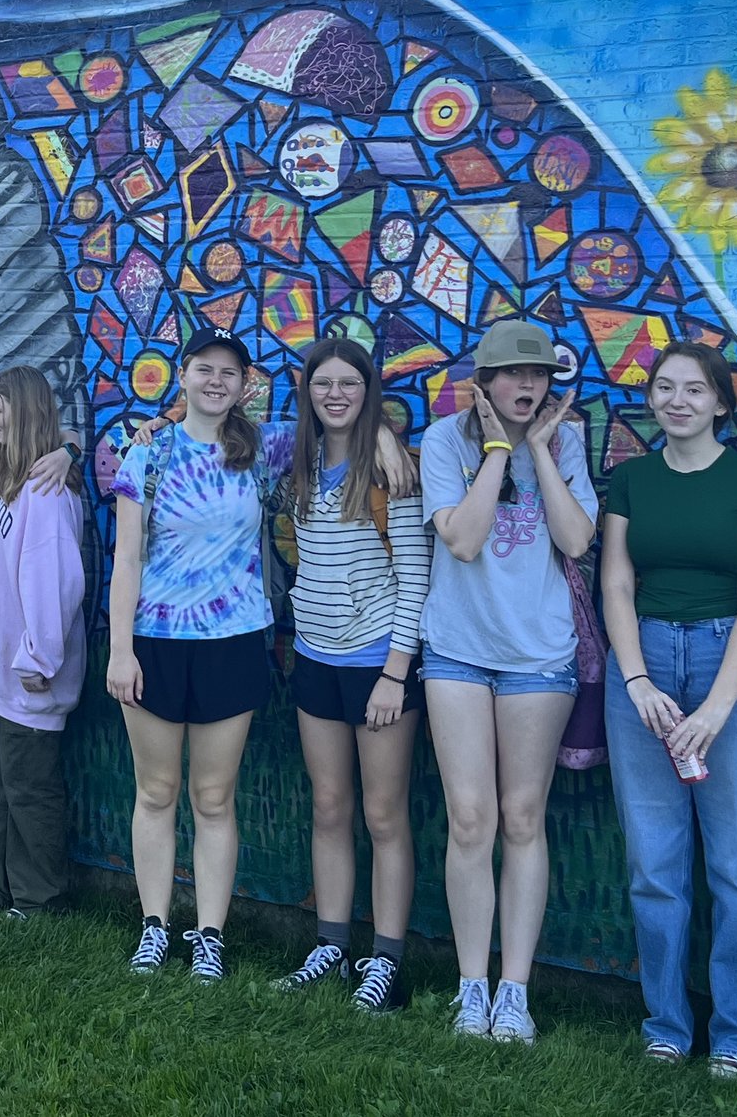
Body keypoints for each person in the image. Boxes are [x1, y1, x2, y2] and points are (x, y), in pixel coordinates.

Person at [598, 341, 737, 1078]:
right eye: (664, 387)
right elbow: (616, 584)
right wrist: (638, 679)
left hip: (728, 666)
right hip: (641, 665)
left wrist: (716, 705)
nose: (676, 400)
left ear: (719, 402)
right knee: (655, 862)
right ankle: (666, 1027)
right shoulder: (632, 479)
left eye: (693, 389)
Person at [419, 318, 597, 1043]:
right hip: (457, 650)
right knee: (470, 818)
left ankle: (514, 990)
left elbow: (578, 539)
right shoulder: (442, 441)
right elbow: (460, 539)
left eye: (540, 375)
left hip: (538, 657)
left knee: (523, 818)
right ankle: (471, 985)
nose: (529, 386)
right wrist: (496, 447)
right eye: (514, 375)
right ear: (484, 382)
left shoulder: (569, 441)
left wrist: (543, 451)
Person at [106, 327, 276, 983]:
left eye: (228, 372)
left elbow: (336, 439)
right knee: (156, 790)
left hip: (233, 643)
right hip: (154, 643)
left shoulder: (260, 453)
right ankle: (154, 924)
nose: (215, 380)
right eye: (204, 368)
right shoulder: (145, 455)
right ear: (183, 375)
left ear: (243, 385)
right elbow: (126, 559)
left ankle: (209, 933)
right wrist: (121, 649)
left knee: (213, 797)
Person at [267, 337, 431, 1013]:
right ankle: (331, 944)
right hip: (315, 657)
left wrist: (395, 674)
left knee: (383, 813)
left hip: (377, 665)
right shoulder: (298, 461)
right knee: (330, 807)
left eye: (349, 383)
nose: (335, 394)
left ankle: (385, 960)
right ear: (307, 392)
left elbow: (416, 576)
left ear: (369, 392)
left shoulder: (393, 469)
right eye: (322, 383)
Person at [0, 365, 87, 917]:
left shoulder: (46, 492)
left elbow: (54, 582)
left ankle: (39, 899)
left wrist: (39, 655)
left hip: (29, 672)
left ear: (27, 411)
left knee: (28, 788)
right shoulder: (17, 484)